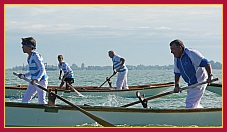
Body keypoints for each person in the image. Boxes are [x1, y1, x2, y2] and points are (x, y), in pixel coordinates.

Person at [169, 39, 213, 108]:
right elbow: (177, 73)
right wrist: (177, 86)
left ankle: (191, 116)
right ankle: (202, 115)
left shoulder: (191, 53)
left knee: (190, 103)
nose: (171, 52)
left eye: (173, 49)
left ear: (180, 48)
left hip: (199, 81)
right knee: (194, 104)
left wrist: (210, 76)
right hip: (191, 84)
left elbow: (206, 63)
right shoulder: (176, 58)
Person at [17, 37, 48, 104]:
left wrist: (37, 79)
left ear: (29, 47)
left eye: (23, 45)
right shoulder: (29, 58)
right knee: (24, 101)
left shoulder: (36, 56)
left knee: (41, 101)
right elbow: (32, 72)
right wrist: (24, 75)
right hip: (33, 82)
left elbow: (42, 69)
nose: (22, 47)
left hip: (42, 81)